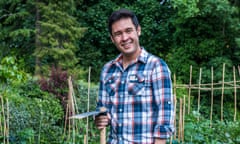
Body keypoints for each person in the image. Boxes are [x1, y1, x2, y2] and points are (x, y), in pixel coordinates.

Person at [94, 8, 175, 144]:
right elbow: (102, 108)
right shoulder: (108, 70)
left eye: (128, 31)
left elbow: (165, 113)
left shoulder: (156, 66)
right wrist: (100, 118)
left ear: (138, 30)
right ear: (112, 39)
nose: (125, 38)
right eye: (118, 34)